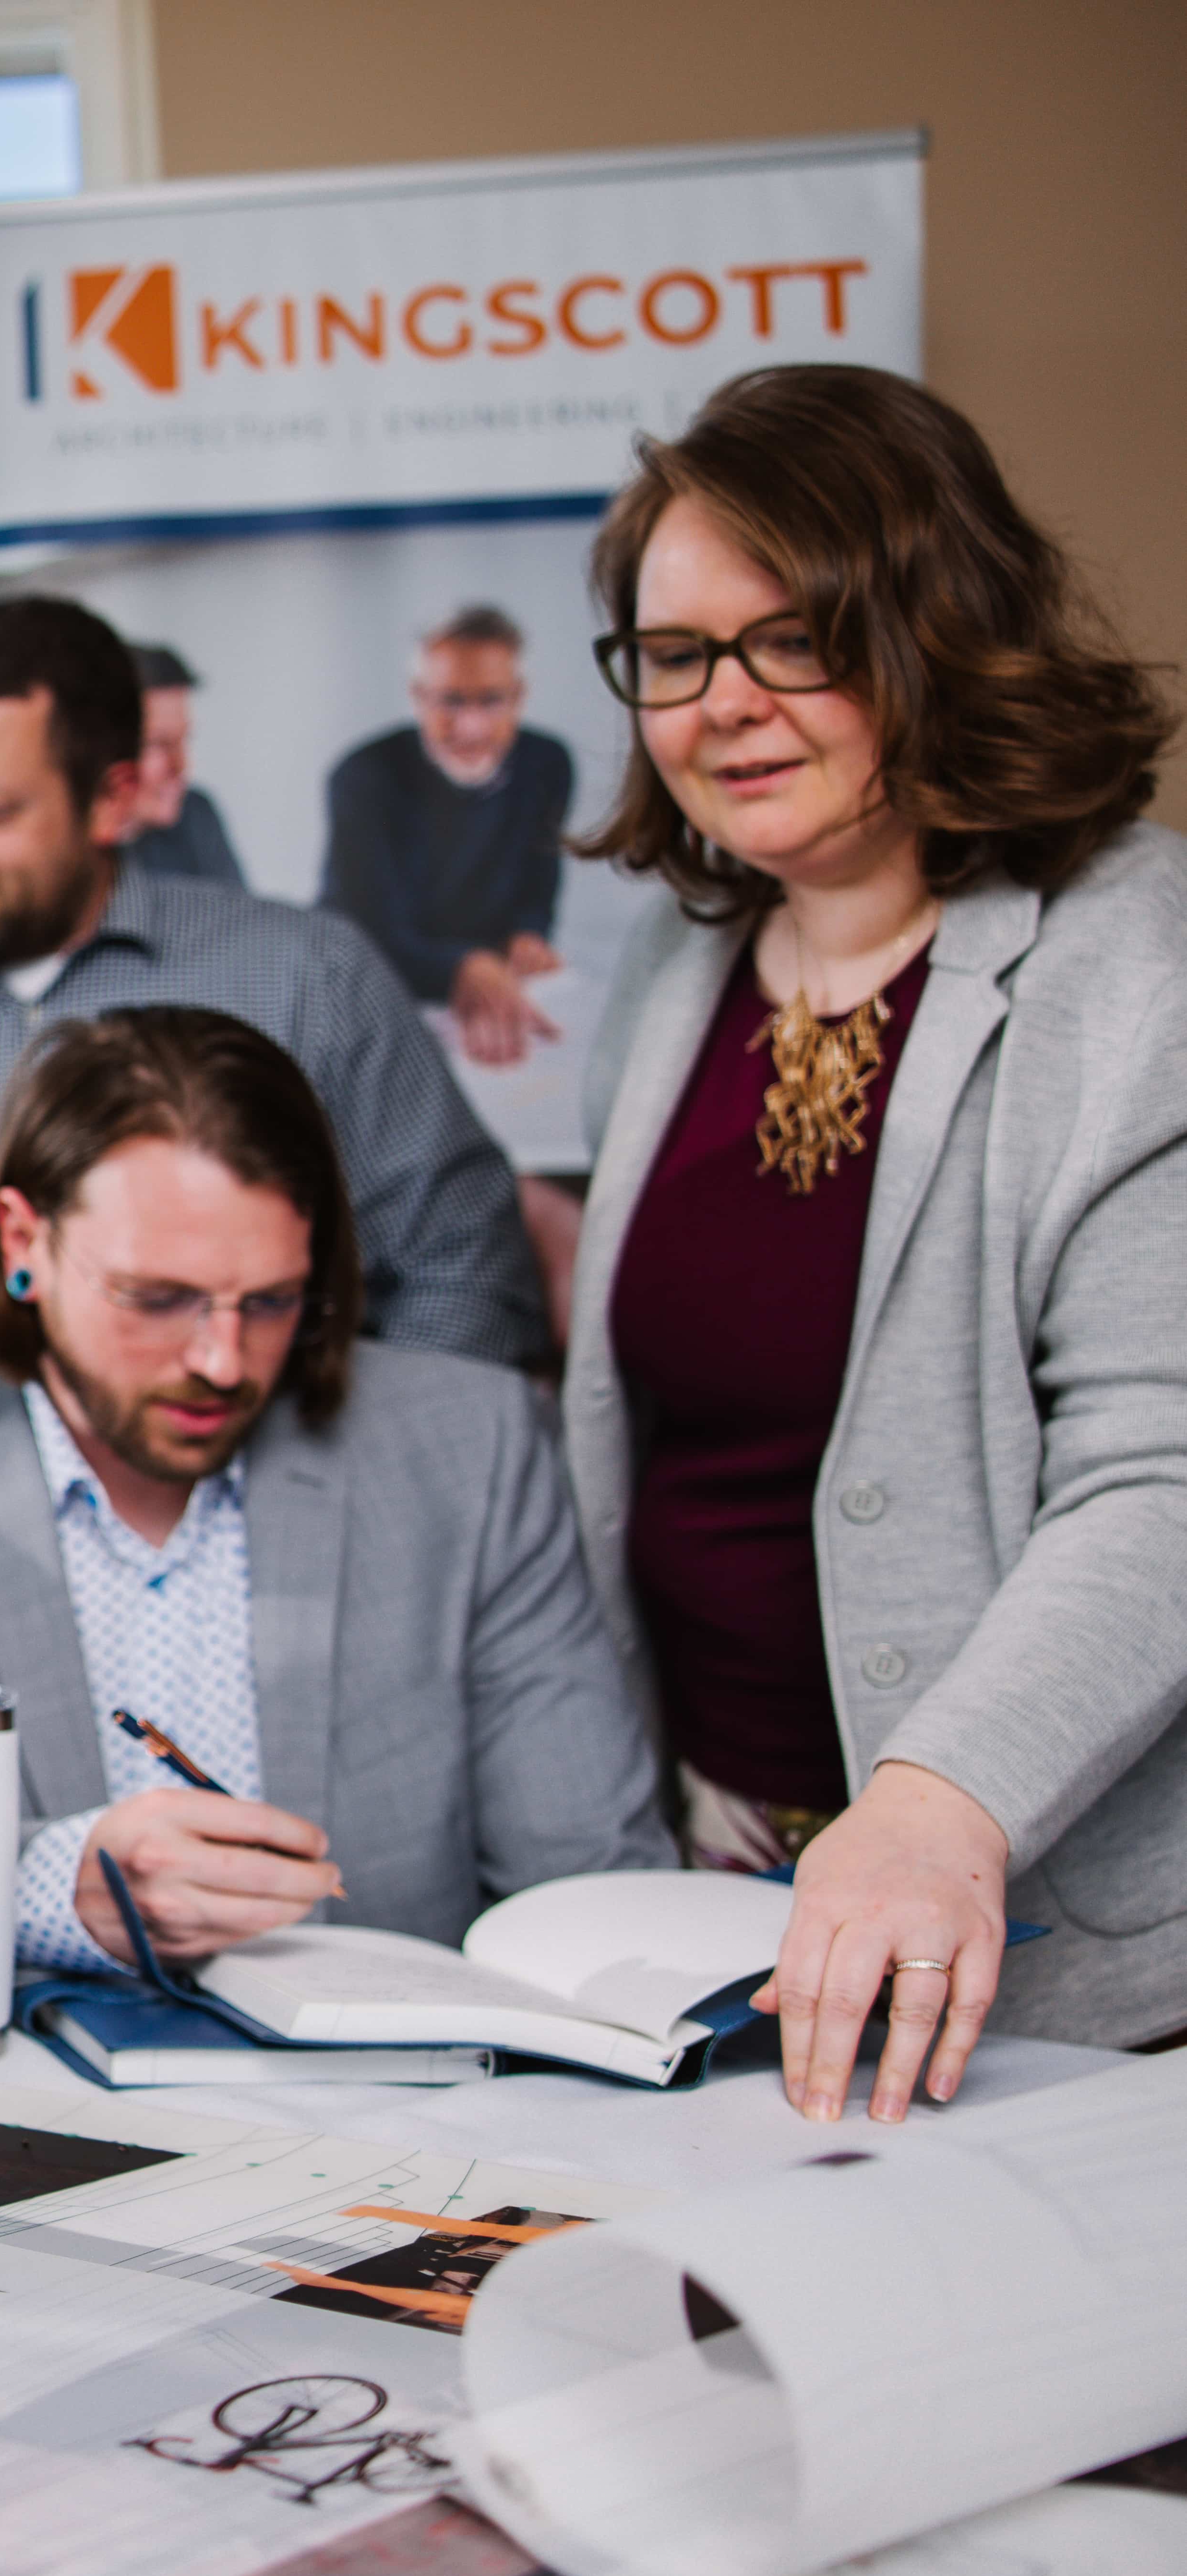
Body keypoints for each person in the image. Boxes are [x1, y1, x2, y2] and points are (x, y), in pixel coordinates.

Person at [563, 364, 1187, 2120]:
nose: (724, 703)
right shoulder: (673, 968)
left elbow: (1161, 1472)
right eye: (674, 653)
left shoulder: (1134, 960)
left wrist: (937, 1801)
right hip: (720, 1890)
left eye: (793, 640)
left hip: (1035, 1919)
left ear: (932, 628)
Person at [0, 1007, 663, 1979]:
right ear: (23, 1241)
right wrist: (51, 1888)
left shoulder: (472, 1450)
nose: (222, 1361)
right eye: (158, 1298)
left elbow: (594, 1878)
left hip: (400, 2069)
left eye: (271, 1301)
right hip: (35, 2071)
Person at [0, 595, 544, 1493]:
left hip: (285, 1548)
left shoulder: (307, 980)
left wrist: (362, 1497)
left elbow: (465, 1262)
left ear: (114, 800)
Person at [319, 607, 581, 1068]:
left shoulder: (548, 764)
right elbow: (370, 930)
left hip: (485, 979)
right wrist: (464, 966)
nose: (471, 728)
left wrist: (529, 936)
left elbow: (539, 887)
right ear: (418, 697)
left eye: (491, 700)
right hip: (365, 989)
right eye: (451, 702)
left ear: (519, 697)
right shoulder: (363, 776)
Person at [120, 641, 246, 888]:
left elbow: (241, 911)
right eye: (158, 744)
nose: (181, 767)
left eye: (184, 740)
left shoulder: (196, 815)